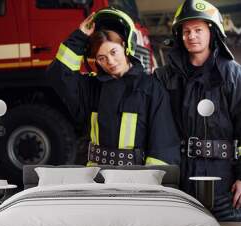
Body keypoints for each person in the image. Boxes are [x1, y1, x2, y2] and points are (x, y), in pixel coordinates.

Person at [155, 0, 241, 221]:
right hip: (179, 176)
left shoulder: (234, 76)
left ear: (212, 32)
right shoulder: (165, 77)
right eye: (186, 31)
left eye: (198, 30)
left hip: (224, 180)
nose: (191, 36)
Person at [47, 8, 180, 166]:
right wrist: (80, 37)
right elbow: (59, 74)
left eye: (113, 52)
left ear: (125, 46)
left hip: (135, 179)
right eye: (101, 58)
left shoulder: (151, 88)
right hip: (96, 177)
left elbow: (163, 144)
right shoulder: (92, 87)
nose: (109, 61)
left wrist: (152, 183)